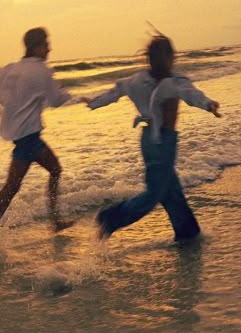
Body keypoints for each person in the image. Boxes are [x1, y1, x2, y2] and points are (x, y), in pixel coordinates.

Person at [83, 33, 221, 242]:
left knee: (171, 191)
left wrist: (94, 102)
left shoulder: (137, 80)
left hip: (147, 140)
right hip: (163, 141)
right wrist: (208, 104)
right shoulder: (174, 81)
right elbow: (191, 94)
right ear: (169, 57)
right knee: (154, 194)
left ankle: (188, 234)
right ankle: (111, 218)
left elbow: (116, 90)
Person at [0, 27, 73, 248]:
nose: (50, 48)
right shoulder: (42, 70)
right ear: (37, 46)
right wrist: (73, 95)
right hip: (29, 138)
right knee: (37, 177)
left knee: (15, 185)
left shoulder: (13, 68)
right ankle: (54, 220)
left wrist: (12, 102)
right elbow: (57, 99)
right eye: (46, 44)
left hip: (23, 136)